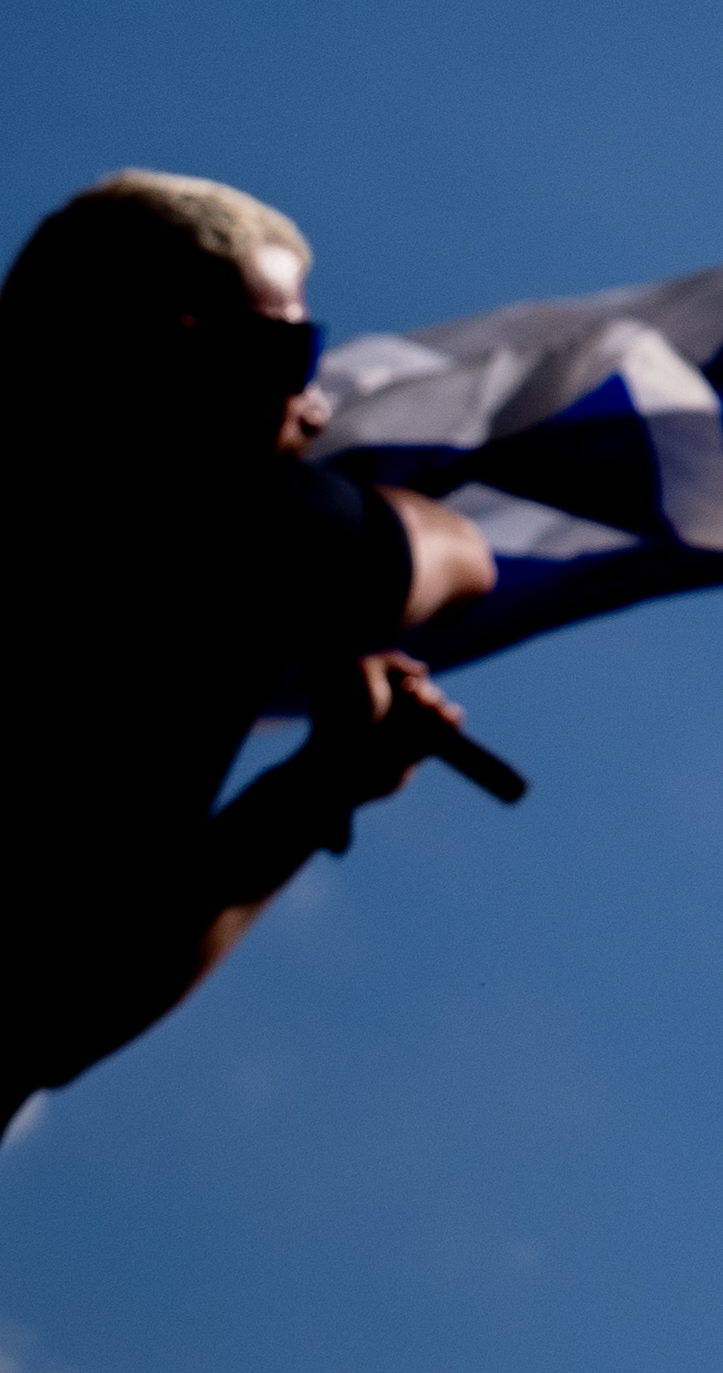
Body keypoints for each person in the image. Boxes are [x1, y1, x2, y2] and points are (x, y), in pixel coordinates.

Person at [0, 172, 500, 1108]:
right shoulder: (220, 519)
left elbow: (55, 1014)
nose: (309, 402)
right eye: (292, 352)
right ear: (181, 340)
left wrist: (312, 790)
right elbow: (462, 557)